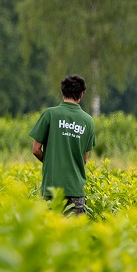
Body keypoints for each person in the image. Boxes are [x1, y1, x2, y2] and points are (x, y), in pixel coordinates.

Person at [29, 74, 95, 216]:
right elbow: (84, 159)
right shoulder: (88, 121)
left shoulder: (50, 115)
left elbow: (35, 150)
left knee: (49, 235)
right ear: (81, 95)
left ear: (62, 92)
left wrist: (50, 161)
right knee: (74, 236)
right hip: (75, 190)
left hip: (51, 188)